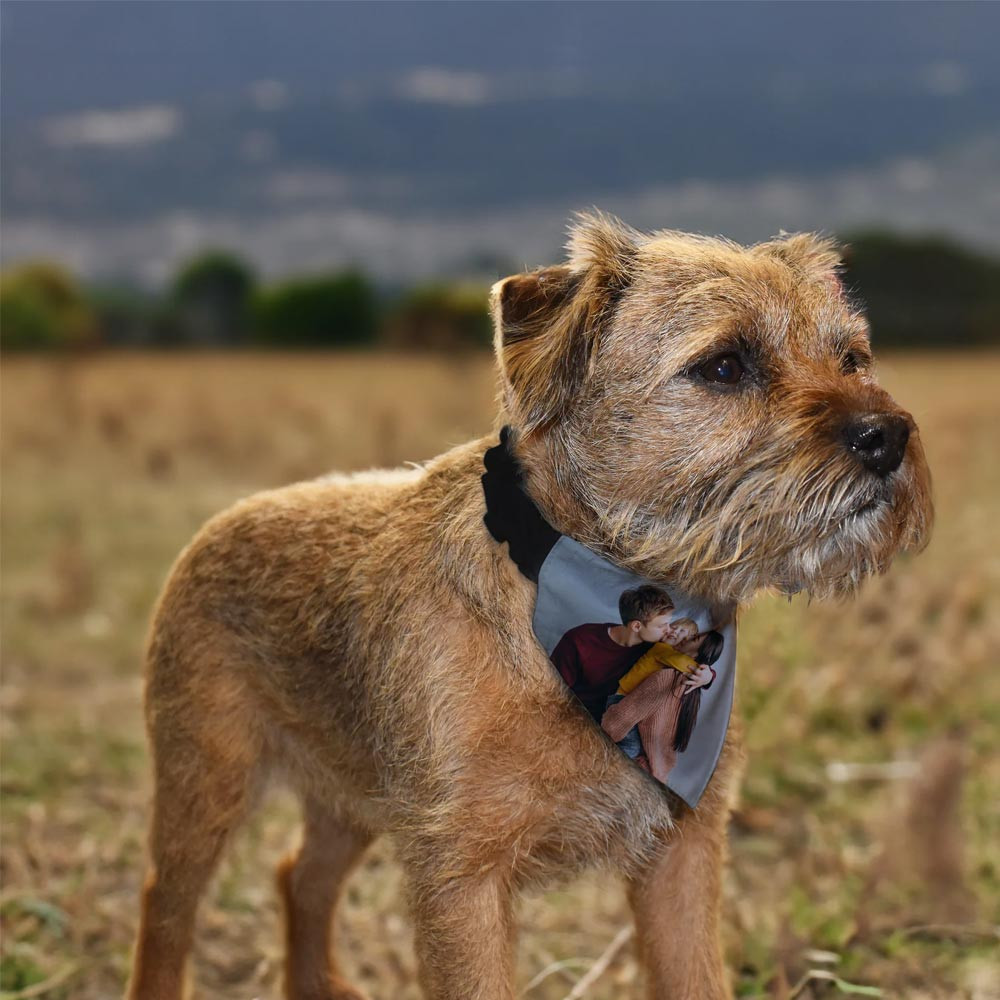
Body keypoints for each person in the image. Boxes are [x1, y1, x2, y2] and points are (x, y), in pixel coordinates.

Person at [601, 630, 725, 784]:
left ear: (695, 655)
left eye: (694, 638)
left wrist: (706, 673)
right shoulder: (690, 691)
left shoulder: (667, 677)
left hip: (621, 716)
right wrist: (707, 675)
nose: (686, 637)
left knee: (628, 750)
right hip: (653, 764)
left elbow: (617, 721)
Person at [548, 585, 675, 723]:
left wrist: (703, 677)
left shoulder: (656, 650)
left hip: (613, 726)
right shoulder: (580, 640)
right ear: (636, 626)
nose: (669, 630)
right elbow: (551, 691)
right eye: (662, 626)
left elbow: (691, 656)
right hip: (569, 719)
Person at [601, 617, 701, 759]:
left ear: (686, 642)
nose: (675, 631)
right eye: (674, 627)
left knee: (633, 742)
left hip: (630, 700)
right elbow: (684, 664)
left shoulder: (668, 653)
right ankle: (609, 763)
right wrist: (704, 672)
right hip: (622, 698)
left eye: (682, 631)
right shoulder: (662, 649)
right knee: (632, 746)